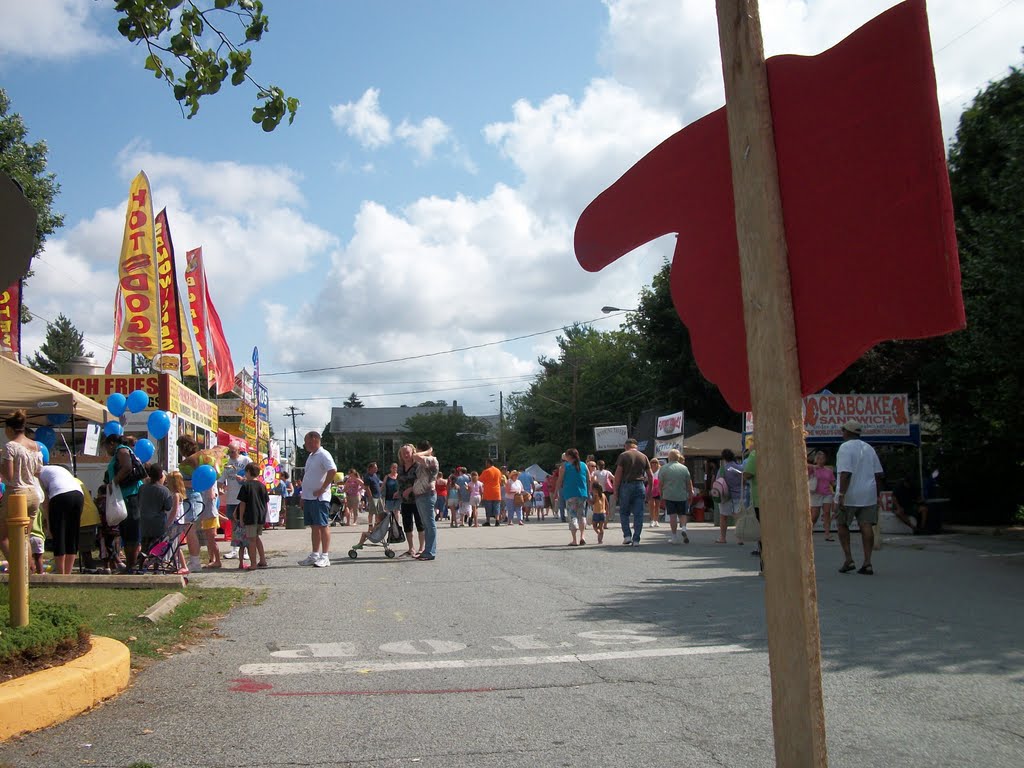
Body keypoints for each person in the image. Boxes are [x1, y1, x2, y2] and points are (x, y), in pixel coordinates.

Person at [835, 420, 884, 575]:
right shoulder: (868, 448)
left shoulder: (845, 448)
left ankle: (849, 559)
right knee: (866, 525)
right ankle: (867, 562)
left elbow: (845, 473)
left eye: (843, 430)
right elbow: (878, 474)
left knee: (842, 524)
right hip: (868, 493)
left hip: (849, 493)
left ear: (847, 432)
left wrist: (841, 494)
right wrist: (876, 494)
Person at [0, 409, 44, 563]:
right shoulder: (35, 446)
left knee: (3, 537)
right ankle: (28, 570)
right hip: (33, 493)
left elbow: (9, 475)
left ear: (9, 429)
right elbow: (38, 471)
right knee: (25, 536)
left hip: (17, 493)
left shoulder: (11, 446)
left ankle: (16, 569)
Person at [176, 435, 221, 571]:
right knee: (198, 531)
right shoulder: (203, 458)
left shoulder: (189, 463)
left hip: (198, 499)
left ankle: (201, 561)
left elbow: (195, 482)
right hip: (199, 499)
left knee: (197, 531)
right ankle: (206, 559)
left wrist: (179, 482)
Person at [103, 432, 145, 572]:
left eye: (106, 447)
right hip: (125, 495)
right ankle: (130, 564)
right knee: (126, 533)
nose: (106, 451)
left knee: (130, 532)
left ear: (112, 444)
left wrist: (114, 482)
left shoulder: (121, 451)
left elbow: (127, 467)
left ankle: (130, 565)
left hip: (130, 496)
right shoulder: (120, 452)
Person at [298, 431, 338, 568]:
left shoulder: (323, 454)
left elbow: (333, 470)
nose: (305, 444)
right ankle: (315, 554)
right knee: (314, 526)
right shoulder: (311, 456)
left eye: (307, 441)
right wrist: (303, 496)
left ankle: (325, 556)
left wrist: (323, 488)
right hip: (309, 497)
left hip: (320, 497)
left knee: (322, 525)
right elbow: (308, 476)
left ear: (314, 440)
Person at [37, 463, 84, 575]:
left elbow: (45, 501)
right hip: (78, 495)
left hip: (60, 495)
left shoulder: (37, 475)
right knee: (72, 535)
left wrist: (48, 523)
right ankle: (68, 573)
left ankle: (60, 573)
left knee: (59, 534)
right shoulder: (56, 469)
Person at [612, 438, 652, 546]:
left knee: (624, 512)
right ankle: (636, 539)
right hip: (640, 485)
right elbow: (650, 475)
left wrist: (615, 490)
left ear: (626, 446)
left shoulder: (623, 455)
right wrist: (650, 491)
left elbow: (618, 474)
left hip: (626, 485)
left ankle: (627, 536)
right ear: (636, 446)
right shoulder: (643, 456)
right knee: (638, 514)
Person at [138, 464, 173, 569]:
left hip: (144, 521)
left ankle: (141, 565)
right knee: (158, 545)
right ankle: (156, 567)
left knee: (144, 545)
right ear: (161, 476)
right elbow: (168, 507)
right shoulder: (164, 490)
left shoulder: (142, 488)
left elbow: (138, 501)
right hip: (158, 523)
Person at [236, 462, 269, 570]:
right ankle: (263, 560)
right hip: (260, 516)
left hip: (250, 516)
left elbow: (242, 504)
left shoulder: (246, 486)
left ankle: (253, 563)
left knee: (251, 540)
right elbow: (266, 501)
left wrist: (241, 518)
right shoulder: (262, 486)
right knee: (257, 538)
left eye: (246, 472)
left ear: (249, 472)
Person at [219, 444, 249, 560]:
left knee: (243, 523)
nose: (231, 454)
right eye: (229, 452)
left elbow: (254, 475)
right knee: (233, 524)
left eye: (233, 451)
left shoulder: (245, 460)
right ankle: (235, 549)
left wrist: (244, 479)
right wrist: (220, 488)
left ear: (238, 450)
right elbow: (221, 478)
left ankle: (245, 549)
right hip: (231, 498)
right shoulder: (226, 462)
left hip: (243, 498)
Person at [411, 441, 439, 560]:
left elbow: (415, 456)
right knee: (426, 524)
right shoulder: (423, 462)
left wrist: (428, 451)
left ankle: (430, 552)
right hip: (421, 495)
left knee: (429, 524)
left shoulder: (431, 459)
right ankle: (427, 550)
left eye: (417, 449)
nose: (416, 451)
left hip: (427, 494)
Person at [659, 449, 693, 544]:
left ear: (669, 457)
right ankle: (684, 529)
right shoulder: (684, 468)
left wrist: (661, 495)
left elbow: (660, 484)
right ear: (678, 458)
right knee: (682, 514)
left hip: (669, 495)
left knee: (672, 516)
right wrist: (690, 494)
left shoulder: (664, 468)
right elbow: (688, 483)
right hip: (682, 495)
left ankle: (674, 537)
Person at [396, 446, 425, 557]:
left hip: (417, 499)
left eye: (407, 452)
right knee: (407, 524)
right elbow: (400, 482)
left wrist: (411, 489)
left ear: (413, 452)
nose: (405, 455)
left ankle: (421, 549)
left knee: (420, 524)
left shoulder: (418, 466)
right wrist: (399, 492)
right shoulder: (400, 467)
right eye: (403, 453)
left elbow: (422, 481)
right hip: (405, 501)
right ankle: (411, 548)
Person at [557, 448, 590, 545]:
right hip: (582, 493)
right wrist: (588, 491)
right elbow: (589, 479)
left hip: (570, 494)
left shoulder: (564, 466)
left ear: (569, 456)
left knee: (572, 515)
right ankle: (582, 536)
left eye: (566, 455)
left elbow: (560, 480)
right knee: (581, 514)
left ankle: (574, 540)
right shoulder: (584, 465)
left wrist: (556, 492)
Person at [714, 449, 745, 545]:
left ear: (723, 458)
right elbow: (744, 481)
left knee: (723, 517)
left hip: (725, 496)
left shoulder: (723, 469)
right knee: (738, 517)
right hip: (738, 495)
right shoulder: (740, 468)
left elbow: (718, 481)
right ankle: (739, 539)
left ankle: (723, 538)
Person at [808, 450, 837, 541]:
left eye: (823, 458)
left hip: (827, 494)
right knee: (815, 515)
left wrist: (837, 490)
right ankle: (809, 531)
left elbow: (833, 482)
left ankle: (827, 534)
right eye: (819, 458)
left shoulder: (828, 471)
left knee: (827, 513)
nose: (821, 460)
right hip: (816, 494)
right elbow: (803, 464)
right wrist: (814, 466)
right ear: (816, 459)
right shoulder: (812, 469)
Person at [743, 446, 762, 574]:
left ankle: (765, 565)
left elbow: (747, 474)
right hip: (783, 500)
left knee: (763, 533)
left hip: (761, 500)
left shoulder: (756, 454)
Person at [479, 458, 503, 527]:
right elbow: (500, 481)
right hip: (497, 492)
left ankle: (488, 521)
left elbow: (480, 480)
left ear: (489, 463)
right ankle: (497, 521)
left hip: (488, 492)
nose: (485, 464)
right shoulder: (498, 471)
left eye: (486, 463)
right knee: (497, 507)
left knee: (488, 507)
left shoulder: (486, 471)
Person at [648, 457, 662, 527]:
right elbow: (646, 478)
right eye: (652, 462)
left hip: (658, 488)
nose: (654, 464)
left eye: (655, 462)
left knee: (657, 505)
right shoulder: (648, 470)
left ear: (658, 463)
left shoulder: (660, 470)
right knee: (651, 505)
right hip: (651, 488)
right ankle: (652, 520)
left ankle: (656, 520)